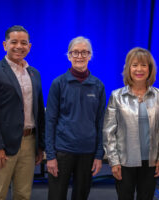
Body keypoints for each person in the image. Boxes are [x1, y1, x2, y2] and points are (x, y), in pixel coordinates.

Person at [0, 25, 45, 200]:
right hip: (3, 147)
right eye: (13, 42)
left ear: (29, 47)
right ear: (4, 45)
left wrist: (40, 145)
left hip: (29, 143)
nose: (19, 46)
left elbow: (38, 112)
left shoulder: (34, 74)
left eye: (23, 43)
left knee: (23, 194)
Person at [103, 47, 159, 200]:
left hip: (151, 161)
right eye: (134, 65)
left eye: (143, 65)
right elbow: (108, 131)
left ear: (150, 69)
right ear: (128, 68)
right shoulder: (117, 96)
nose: (139, 69)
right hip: (124, 161)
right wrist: (113, 161)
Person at [45, 36, 106, 200]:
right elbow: (49, 121)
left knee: (81, 195)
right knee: (56, 196)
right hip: (62, 151)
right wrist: (50, 156)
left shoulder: (98, 86)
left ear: (90, 55)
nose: (80, 56)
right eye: (75, 52)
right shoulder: (58, 84)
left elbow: (101, 122)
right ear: (69, 55)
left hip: (88, 152)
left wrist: (99, 155)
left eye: (84, 52)